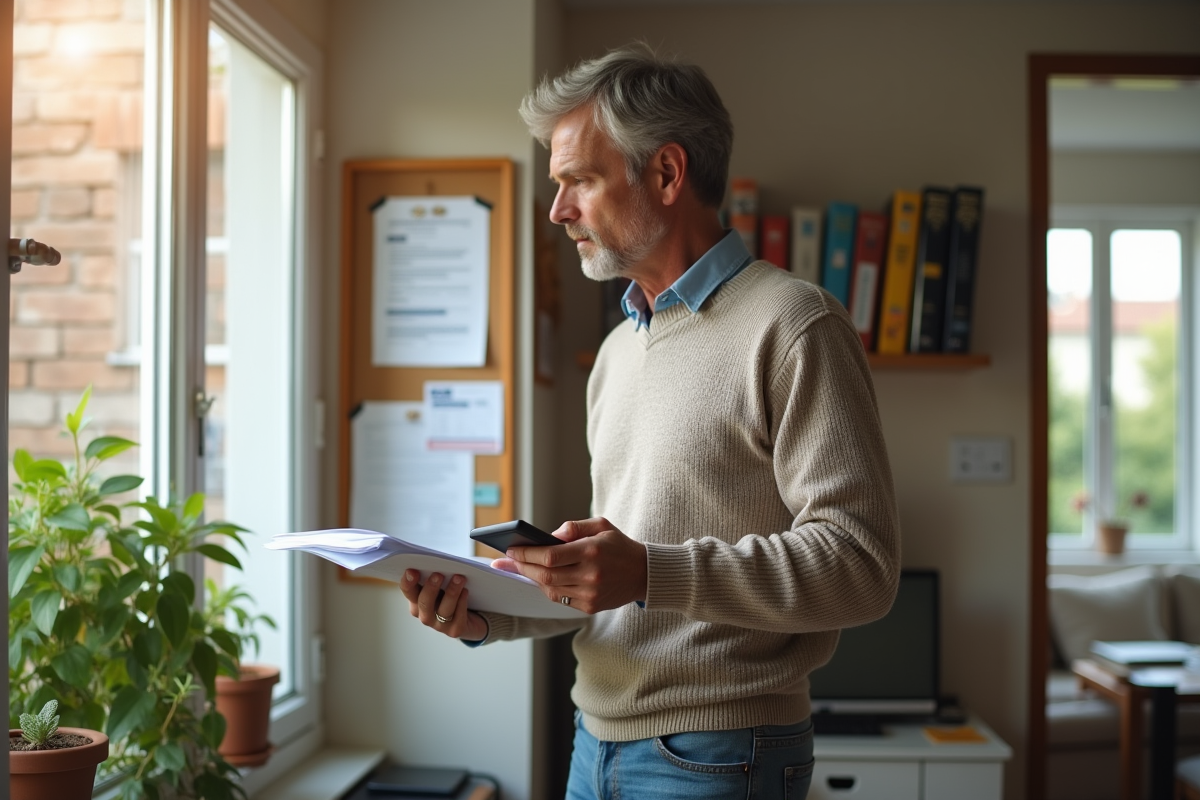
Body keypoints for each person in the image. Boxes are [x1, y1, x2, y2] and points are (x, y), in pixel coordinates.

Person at [399, 42, 901, 800]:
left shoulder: (794, 326)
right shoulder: (615, 353)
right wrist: (485, 617)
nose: (557, 210)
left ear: (666, 174)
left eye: (579, 181)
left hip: (721, 752)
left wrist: (651, 570)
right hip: (591, 746)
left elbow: (861, 566)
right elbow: (615, 586)